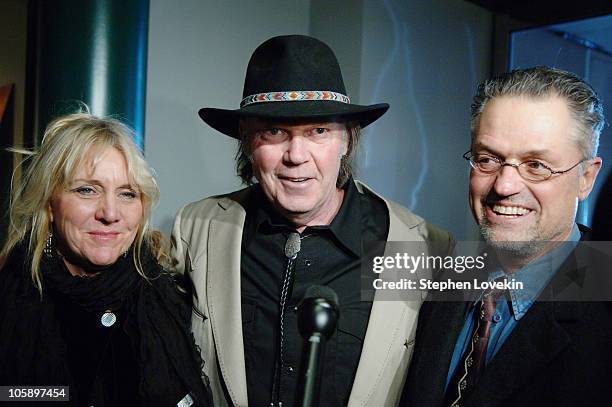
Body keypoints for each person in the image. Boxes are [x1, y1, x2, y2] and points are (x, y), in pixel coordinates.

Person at [171, 35, 453, 407]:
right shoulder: (198, 228)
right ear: (246, 141)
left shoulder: (421, 246)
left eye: (318, 131)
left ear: (347, 141)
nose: (296, 156)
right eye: (274, 132)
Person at [402, 66, 612, 407]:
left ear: (586, 178)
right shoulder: (438, 286)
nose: (504, 185)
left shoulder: (602, 314)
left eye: (536, 165)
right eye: (488, 160)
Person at [0, 112, 211, 407]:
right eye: (87, 190)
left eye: (127, 194)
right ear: (49, 203)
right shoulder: (12, 298)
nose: (110, 213)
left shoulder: (171, 297)